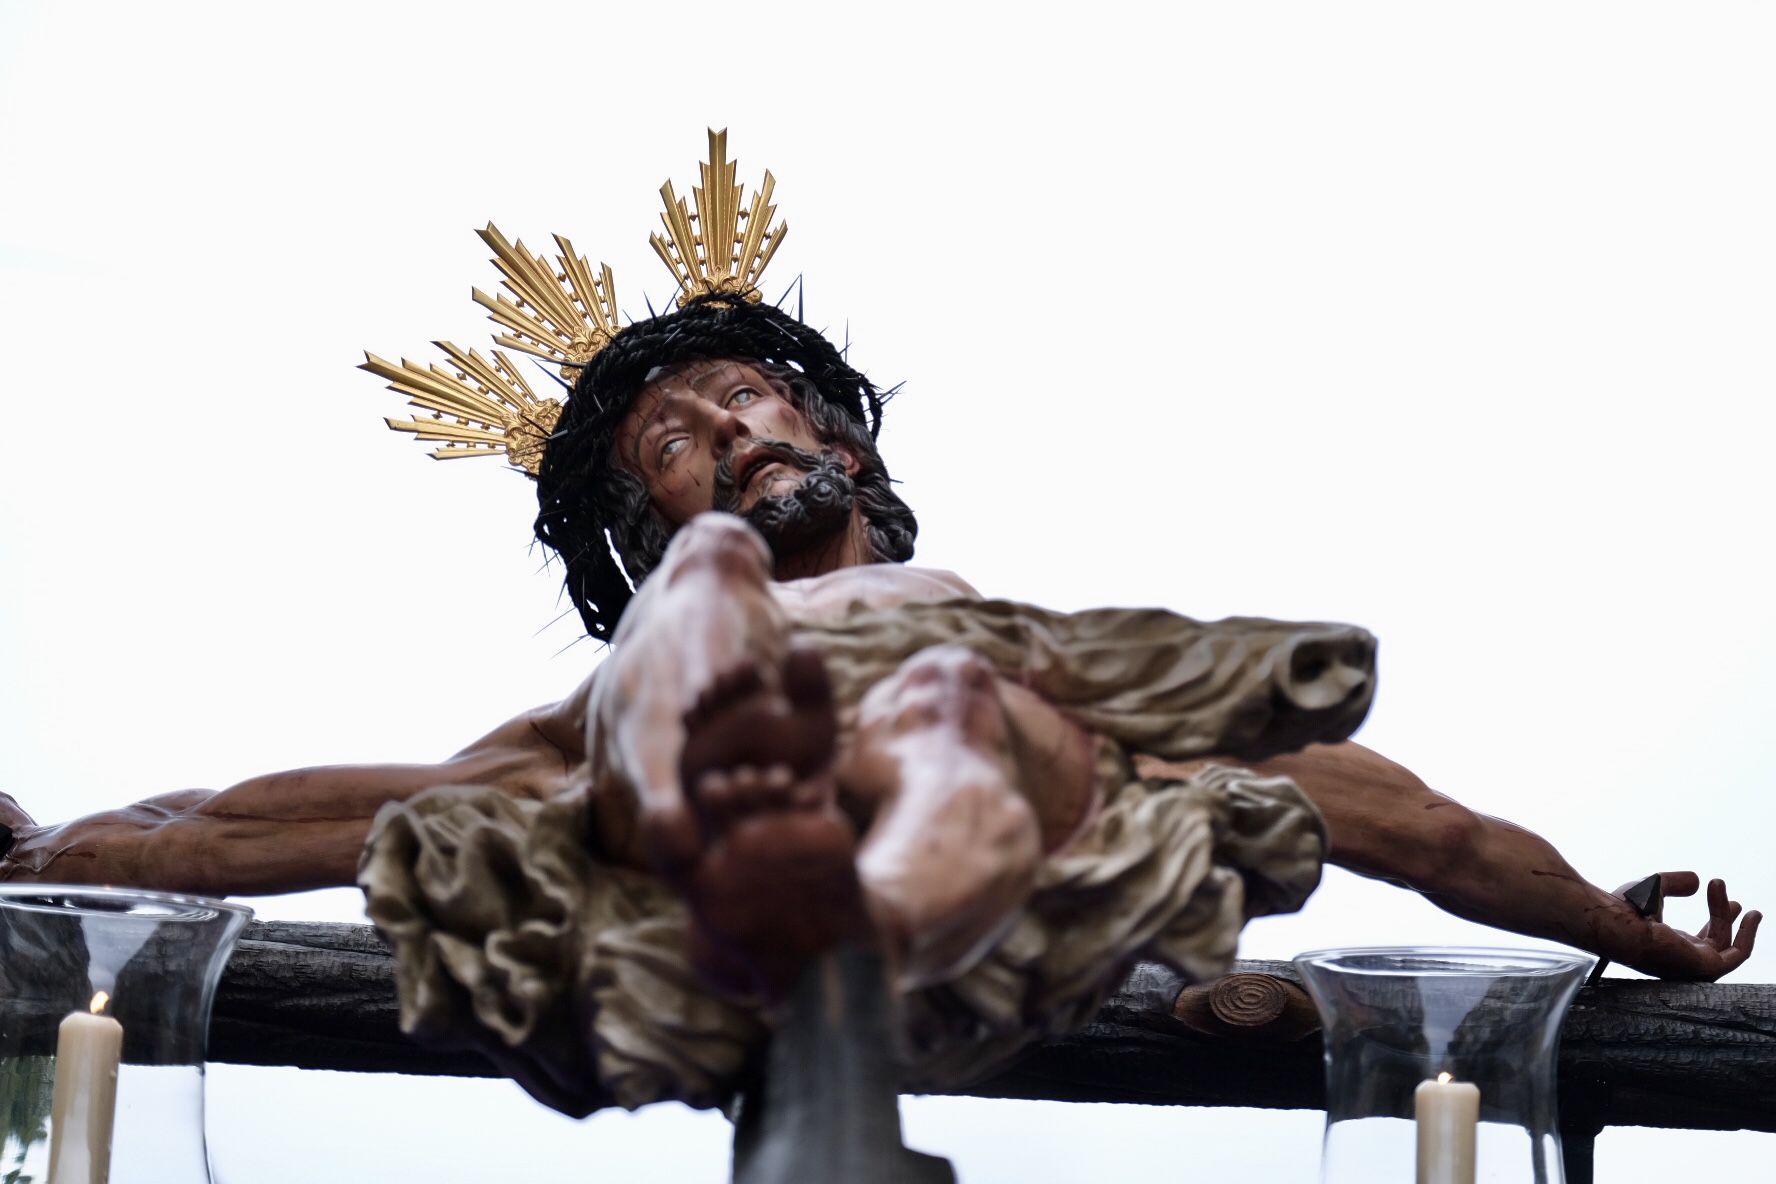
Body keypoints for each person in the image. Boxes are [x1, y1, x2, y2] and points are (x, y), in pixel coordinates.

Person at [0, 134, 1756, 1020]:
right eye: (676, 442)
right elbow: (236, 826)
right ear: (650, 545)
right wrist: (41, 857)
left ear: (846, 441)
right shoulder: (601, 730)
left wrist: (1619, 931)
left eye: (754, 395)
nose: (731, 428)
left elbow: (1417, 824)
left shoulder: (1026, 663)